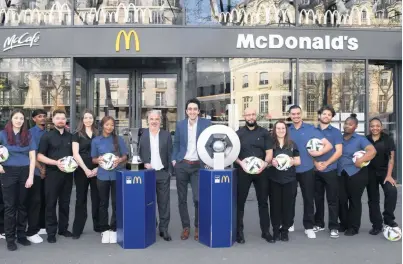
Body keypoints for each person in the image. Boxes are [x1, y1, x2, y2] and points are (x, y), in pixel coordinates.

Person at [288, 105, 333, 239]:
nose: (295, 116)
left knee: (308, 198)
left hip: (307, 168)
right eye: (293, 114)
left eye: (298, 114)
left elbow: (329, 145)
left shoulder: (310, 129)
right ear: (290, 115)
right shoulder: (287, 130)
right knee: (290, 198)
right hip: (290, 169)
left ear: (301, 114)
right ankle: (289, 223)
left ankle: (308, 226)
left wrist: (319, 152)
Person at [172, 98, 211, 241]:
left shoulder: (206, 124)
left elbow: (210, 143)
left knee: (197, 198)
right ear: (186, 111)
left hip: (198, 166)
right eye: (190, 109)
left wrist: (208, 161)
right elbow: (176, 143)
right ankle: (186, 227)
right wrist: (174, 159)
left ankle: (198, 226)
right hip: (182, 164)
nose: (192, 111)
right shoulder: (180, 125)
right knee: (181, 199)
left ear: (199, 111)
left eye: (195, 109)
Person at [235, 108, 273, 244]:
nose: (250, 117)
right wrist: (240, 163)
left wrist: (265, 163)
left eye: (252, 114)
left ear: (255, 116)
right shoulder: (238, 134)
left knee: (263, 202)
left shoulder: (264, 133)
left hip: (261, 171)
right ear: (244, 116)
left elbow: (269, 152)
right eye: (248, 115)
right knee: (240, 203)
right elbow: (233, 154)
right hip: (243, 171)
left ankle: (266, 232)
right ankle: (239, 233)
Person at [0, 109, 36, 251]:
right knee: (10, 207)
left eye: (21, 118)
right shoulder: (2, 134)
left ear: (24, 121)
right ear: (11, 119)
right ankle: (10, 238)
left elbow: (33, 157)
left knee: (23, 205)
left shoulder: (28, 135)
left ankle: (21, 235)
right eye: (16, 118)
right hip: (8, 172)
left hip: (25, 172)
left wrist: (31, 176)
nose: (19, 120)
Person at [37, 109, 74, 243]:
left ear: (66, 121)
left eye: (63, 118)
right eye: (58, 118)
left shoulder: (71, 137)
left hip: (68, 175)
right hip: (52, 175)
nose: (60, 120)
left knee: (65, 203)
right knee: (51, 204)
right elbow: (39, 156)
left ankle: (63, 229)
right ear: (53, 120)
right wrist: (55, 163)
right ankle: (51, 232)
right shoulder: (47, 136)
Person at [338, 114, 377, 236]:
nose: (347, 126)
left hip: (356, 174)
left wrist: (361, 160)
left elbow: (372, 151)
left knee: (354, 200)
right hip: (340, 173)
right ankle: (343, 224)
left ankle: (353, 227)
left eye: (350, 124)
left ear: (355, 126)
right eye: (345, 123)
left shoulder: (360, 139)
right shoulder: (339, 138)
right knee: (341, 200)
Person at [91, 116, 128, 244]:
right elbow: (93, 159)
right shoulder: (96, 141)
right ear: (102, 125)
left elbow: (125, 156)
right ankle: (104, 229)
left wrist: (119, 160)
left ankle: (113, 228)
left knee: (116, 203)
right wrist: (98, 160)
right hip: (102, 176)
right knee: (103, 203)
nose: (109, 127)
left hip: (117, 175)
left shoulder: (119, 140)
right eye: (107, 125)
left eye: (112, 125)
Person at [139, 110, 173, 241]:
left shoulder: (166, 135)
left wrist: (169, 172)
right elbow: (136, 154)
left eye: (156, 119)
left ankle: (164, 229)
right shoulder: (142, 134)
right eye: (151, 119)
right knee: (148, 202)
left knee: (164, 203)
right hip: (147, 174)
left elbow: (170, 153)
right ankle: (152, 225)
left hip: (162, 173)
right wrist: (143, 164)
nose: (154, 121)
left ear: (160, 121)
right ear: (148, 120)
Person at [313, 105, 343, 238]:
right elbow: (307, 150)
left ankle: (333, 226)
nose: (326, 116)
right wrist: (316, 163)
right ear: (319, 115)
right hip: (315, 170)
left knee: (332, 200)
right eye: (324, 114)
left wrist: (326, 163)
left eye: (329, 115)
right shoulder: (312, 130)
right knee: (317, 199)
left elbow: (339, 151)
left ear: (332, 117)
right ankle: (319, 223)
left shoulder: (336, 132)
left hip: (330, 170)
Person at [366, 117, 398, 235]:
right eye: (372, 126)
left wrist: (389, 175)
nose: (375, 128)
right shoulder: (366, 140)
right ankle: (376, 225)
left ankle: (388, 219)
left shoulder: (387, 139)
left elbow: (391, 158)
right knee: (373, 199)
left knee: (392, 191)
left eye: (377, 126)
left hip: (385, 172)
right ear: (369, 128)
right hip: (370, 173)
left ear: (381, 127)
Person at [269, 120, 300, 242]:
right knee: (275, 206)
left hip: (289, 180)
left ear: (286, 130)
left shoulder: (292, 144)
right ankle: (276, 230)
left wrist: (292, 161)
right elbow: (266, 161)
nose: (281, 130)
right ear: (274, 130)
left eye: (283, 128)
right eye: (278, 128)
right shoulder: (270, 144)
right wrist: (272, 162)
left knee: (288, 206)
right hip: (274, 179)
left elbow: (298, 161)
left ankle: (285, 230)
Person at [72, 110, 100, 239]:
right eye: (86, 118)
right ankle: (77, 229)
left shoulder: (99, 134)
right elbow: (75, 154)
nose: (88, 120)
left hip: (97, 170)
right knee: (80, 199)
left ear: (94, 119)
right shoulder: (77, 134)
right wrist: (85, 169)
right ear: (82, 119)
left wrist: (98, 168)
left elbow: (104, 152)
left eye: (90, 117)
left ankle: (99, 226)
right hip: (81, 170)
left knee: (97, 198)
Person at [26, 109, 47, 244]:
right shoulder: (30, 133)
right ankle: (31, 230)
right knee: (35, 201)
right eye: (40, 116)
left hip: (47, 171)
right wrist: (40, 168)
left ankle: (42, 226)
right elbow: (31, 153)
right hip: (36, 171)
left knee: (45, 199)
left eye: (44, 116)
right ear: (34, 119)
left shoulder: (48, 132)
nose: (43, 118)